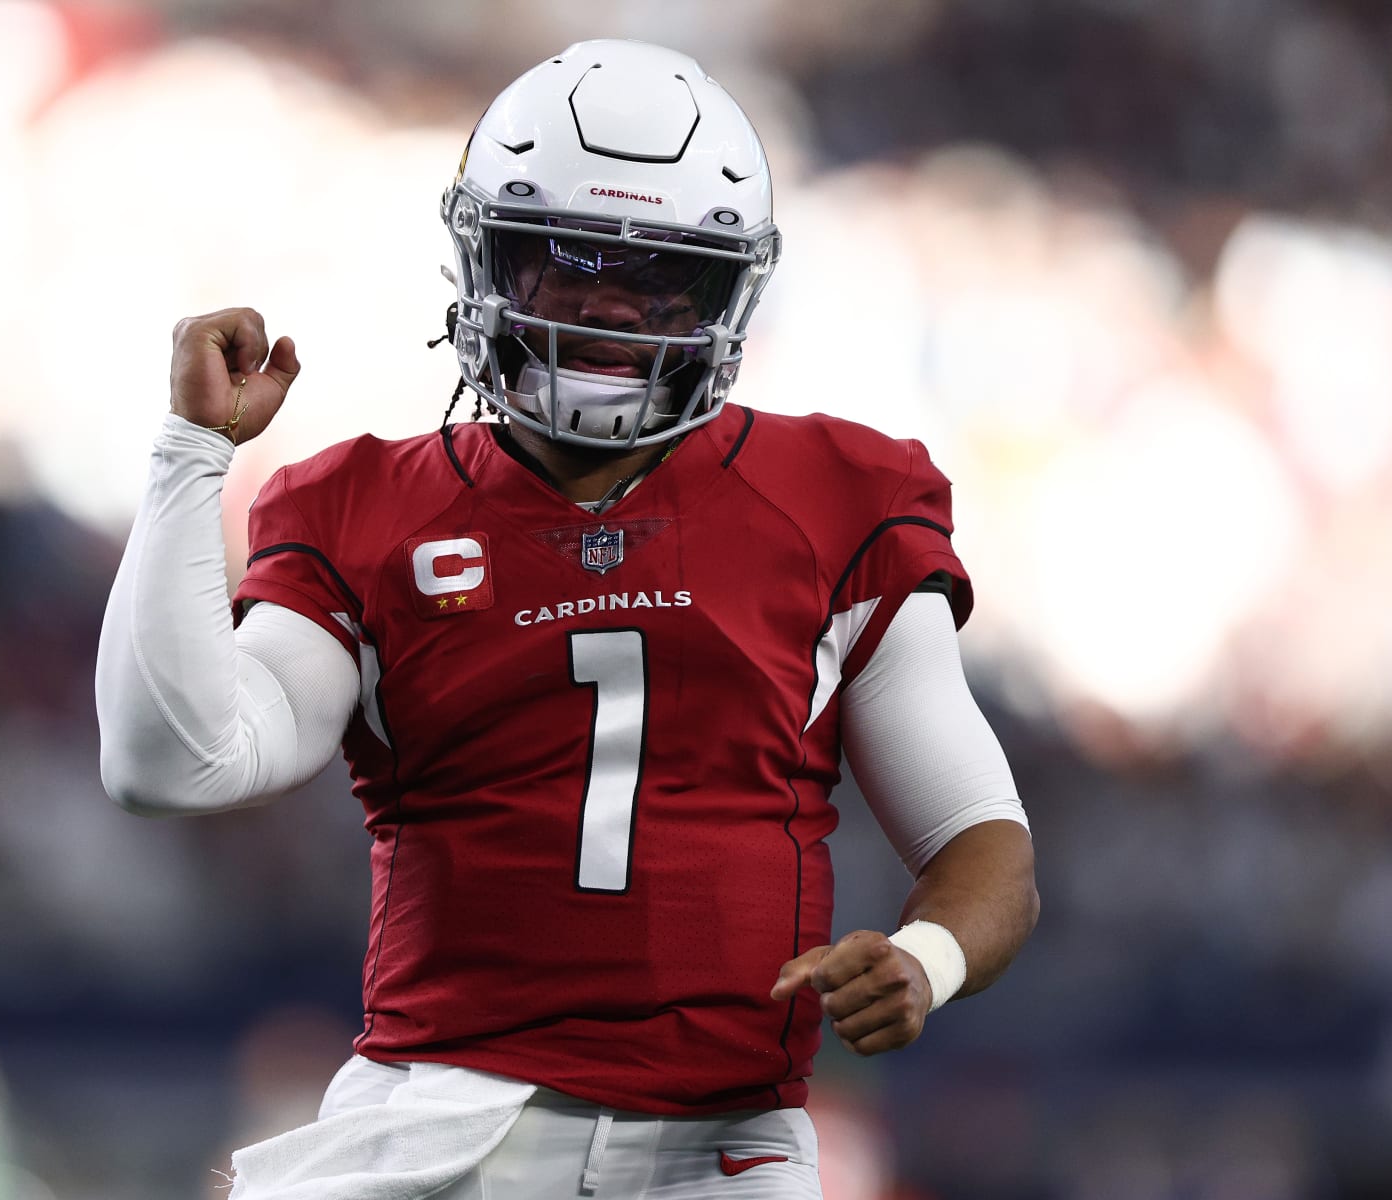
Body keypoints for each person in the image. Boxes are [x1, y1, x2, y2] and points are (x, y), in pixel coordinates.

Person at [96, 38, 1037, 1200]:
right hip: (434, 1120)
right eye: (564, 262)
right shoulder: (363, 506)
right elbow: (174, 761)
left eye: (660, 278)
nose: (606, 309)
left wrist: (926, 959)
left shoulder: (840, 499)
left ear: (727, 292)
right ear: (484, 259)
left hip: (718, 1144)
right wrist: (192, 453)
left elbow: (984, 843)